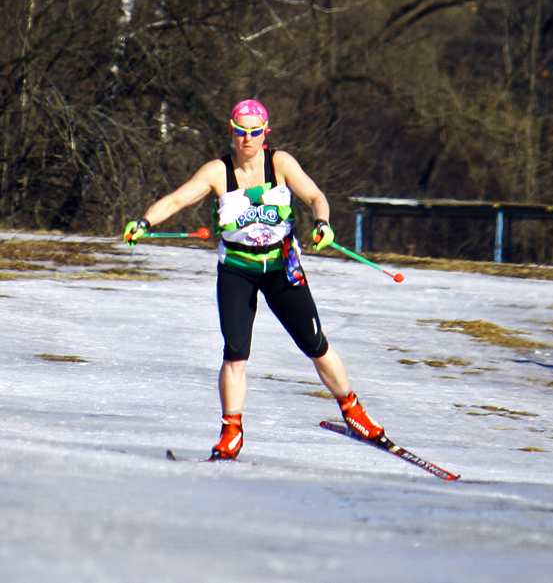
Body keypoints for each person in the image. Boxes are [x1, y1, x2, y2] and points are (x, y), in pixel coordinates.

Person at [123, 99, 384, 460]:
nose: (248, 139)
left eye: (255, 132)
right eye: (241, 132)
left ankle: (354, 412)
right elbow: (177, 199)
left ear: (266, 133)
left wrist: (323, 223)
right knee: (235, 354)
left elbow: (315, 196)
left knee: (315, 343)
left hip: (281, 268)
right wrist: (144, 222)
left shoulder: (280, 162)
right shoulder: (218, 171)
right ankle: (231, 432)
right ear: (231, 132)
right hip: (237, 271)